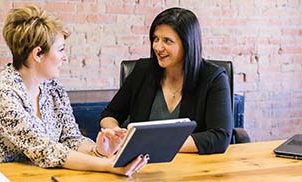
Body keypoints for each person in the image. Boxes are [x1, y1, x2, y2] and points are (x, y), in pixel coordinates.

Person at [0, 5, 148, 176]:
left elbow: (71, 138)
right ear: (37, 54)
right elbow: (44, 150)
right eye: (60, 50)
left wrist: (99, 150)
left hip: (34, 175)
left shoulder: (53, 89)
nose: (65, 58)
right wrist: (109, 165)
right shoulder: (1, 93)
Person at [100, 7, 233, 154]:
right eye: (155, 39)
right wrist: (115, 132)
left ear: (187, 44)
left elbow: (220, 137)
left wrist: (155, 144)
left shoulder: (213, 78)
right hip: (141, 165)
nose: (157, 47)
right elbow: (109, 114)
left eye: (167, 41)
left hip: (192, 167)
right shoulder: (143, 70)